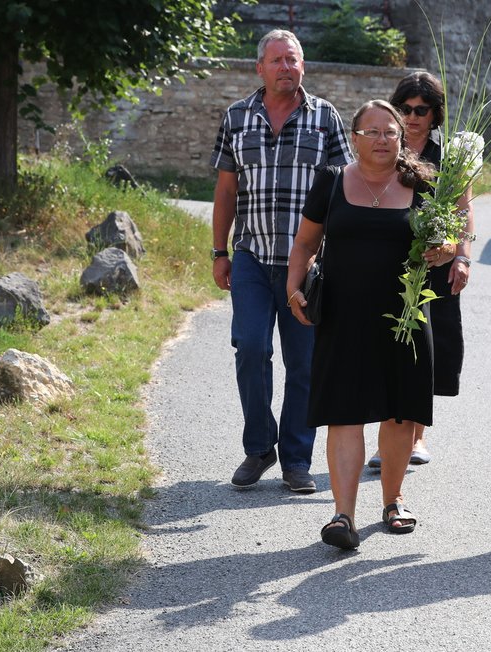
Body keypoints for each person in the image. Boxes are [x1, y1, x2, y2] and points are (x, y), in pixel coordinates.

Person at [287, 100, 454, 549]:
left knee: (400, 412)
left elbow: (447, 237)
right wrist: (293, 286)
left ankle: (393, 499)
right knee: (343, 413)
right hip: (343, 316)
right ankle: (343, 516)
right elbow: (305, 243)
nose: (383, 140)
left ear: (402, 138)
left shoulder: (421, 183)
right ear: (355, 137)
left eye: (391, 132)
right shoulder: (331, 181)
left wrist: (446, 250)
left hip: (405, 316)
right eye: (372, 132)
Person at [210, 29, 353, 494]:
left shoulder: (325, 118)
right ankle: (258, 447)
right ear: (260, 67)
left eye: (292, 60)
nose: (285, 68)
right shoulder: (236, 118)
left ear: (303, 66)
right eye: (277, 60)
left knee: (304, 363)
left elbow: (346, 190)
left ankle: (296, 459)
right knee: (251, 348)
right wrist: (219, 251)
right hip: (252, 256)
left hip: (309, 266)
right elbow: (227, 190)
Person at [367, 71, 474, 470]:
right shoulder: (384, 149)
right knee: (390, 348)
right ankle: (388, 440)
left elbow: (463, 209)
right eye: (406, 108)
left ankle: (416, 436)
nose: (412, 117)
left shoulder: (449, 156)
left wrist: (460, 255)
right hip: (389, 265)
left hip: (436, 266)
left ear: (435, 114)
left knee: (426, 352)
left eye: (421, 110)